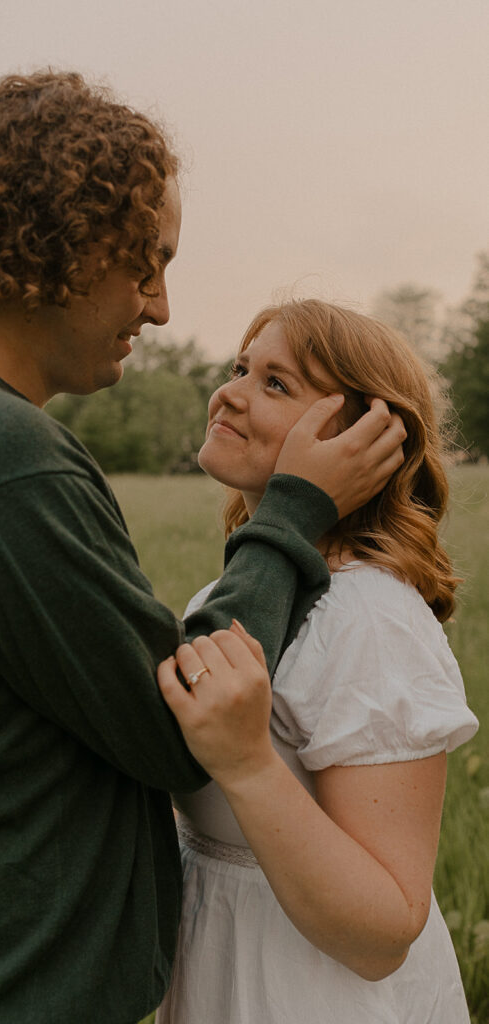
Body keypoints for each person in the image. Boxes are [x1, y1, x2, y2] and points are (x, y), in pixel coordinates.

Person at [0, 74, 405, 1024]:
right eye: (146, 264)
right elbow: (181, 726)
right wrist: (292, 512)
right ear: (67, 245)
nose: (161, 308)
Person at [155, 298, 479, 1024]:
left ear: (360, 437)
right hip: (220, 963)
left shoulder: (370, 619)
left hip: (312, 994)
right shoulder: (228, 593)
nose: (229, 392)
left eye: (276, 383)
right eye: (241, 367)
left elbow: (386, 932)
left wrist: (248, 765)